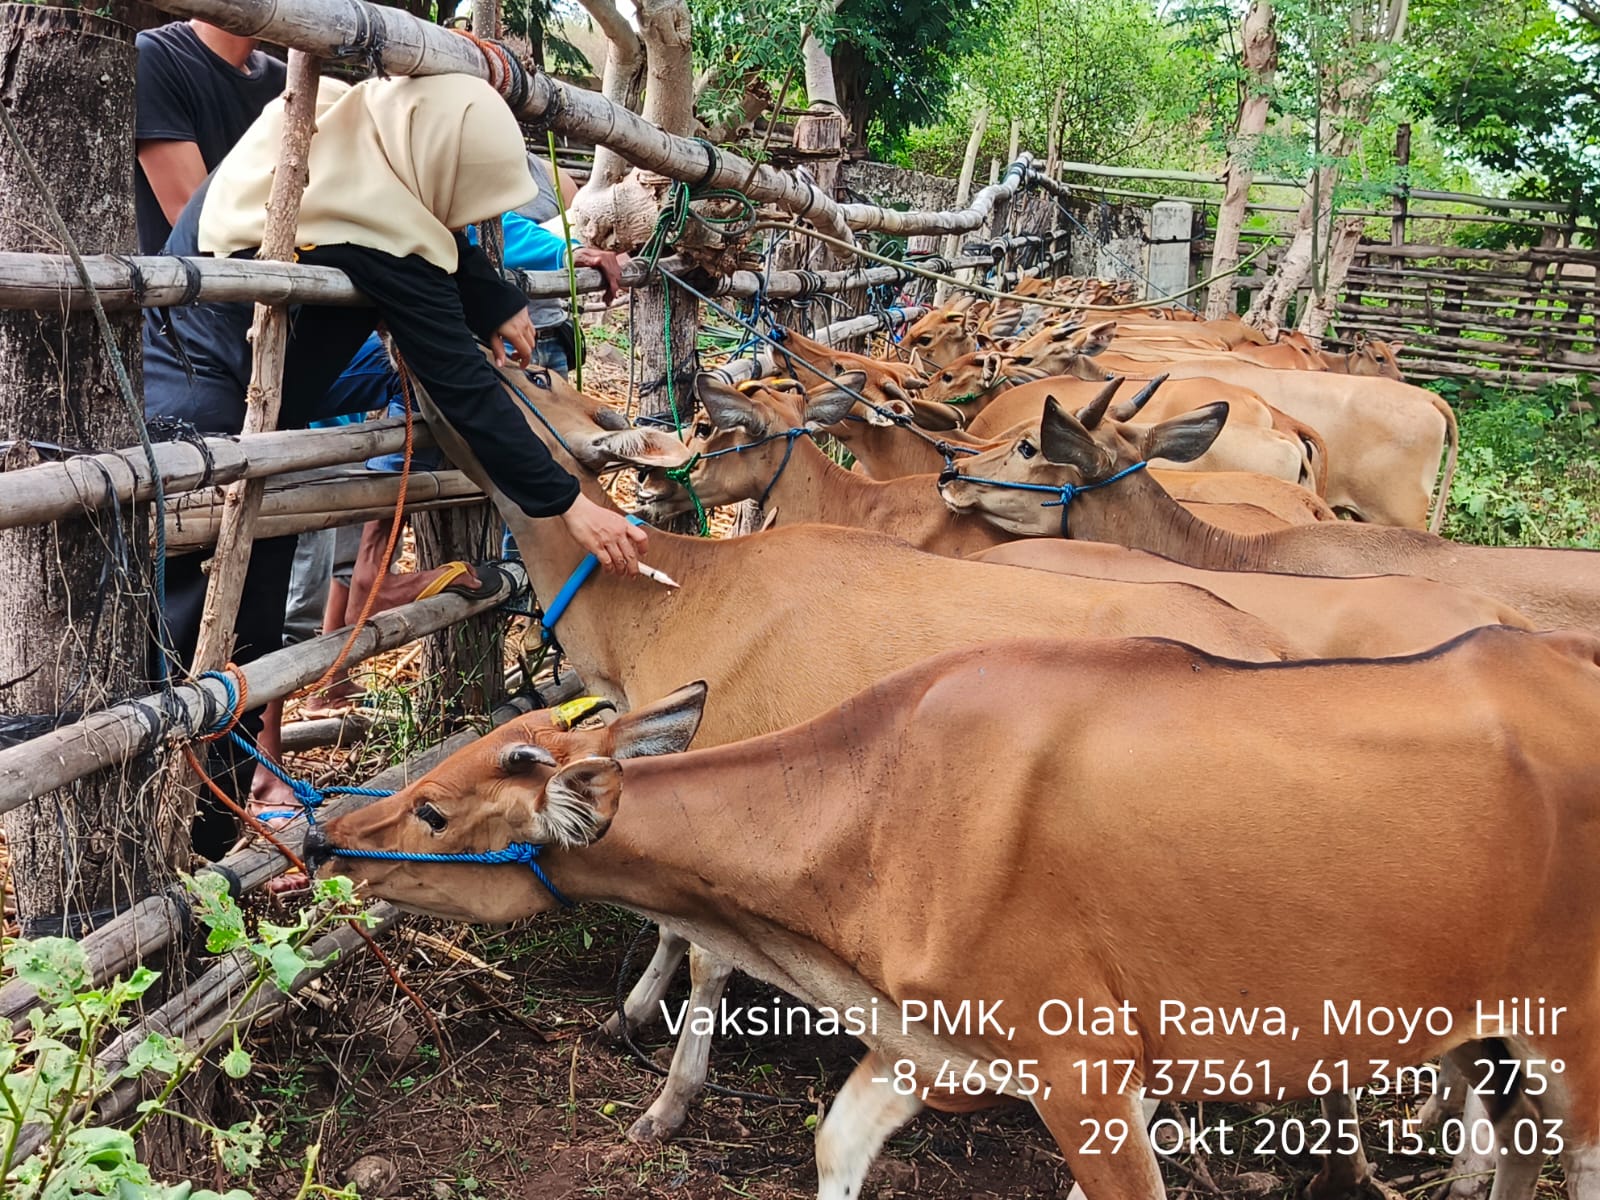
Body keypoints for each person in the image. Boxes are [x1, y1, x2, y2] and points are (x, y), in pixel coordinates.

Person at [145, 73, 647, 856]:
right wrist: (568, 503)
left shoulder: (349, 139)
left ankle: (209, 834)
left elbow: (427, 241)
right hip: (206, 419)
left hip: (250, 411)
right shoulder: (372, 220)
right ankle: (170, 835)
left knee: (248, 635)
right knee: (196, 636)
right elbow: (461, 379)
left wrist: (491, 298)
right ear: (433, 153)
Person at [135, 20, 286, 254]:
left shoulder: (282, 81)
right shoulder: (158, 54)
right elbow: (191, 215)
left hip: (275, 266)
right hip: (183, 276)